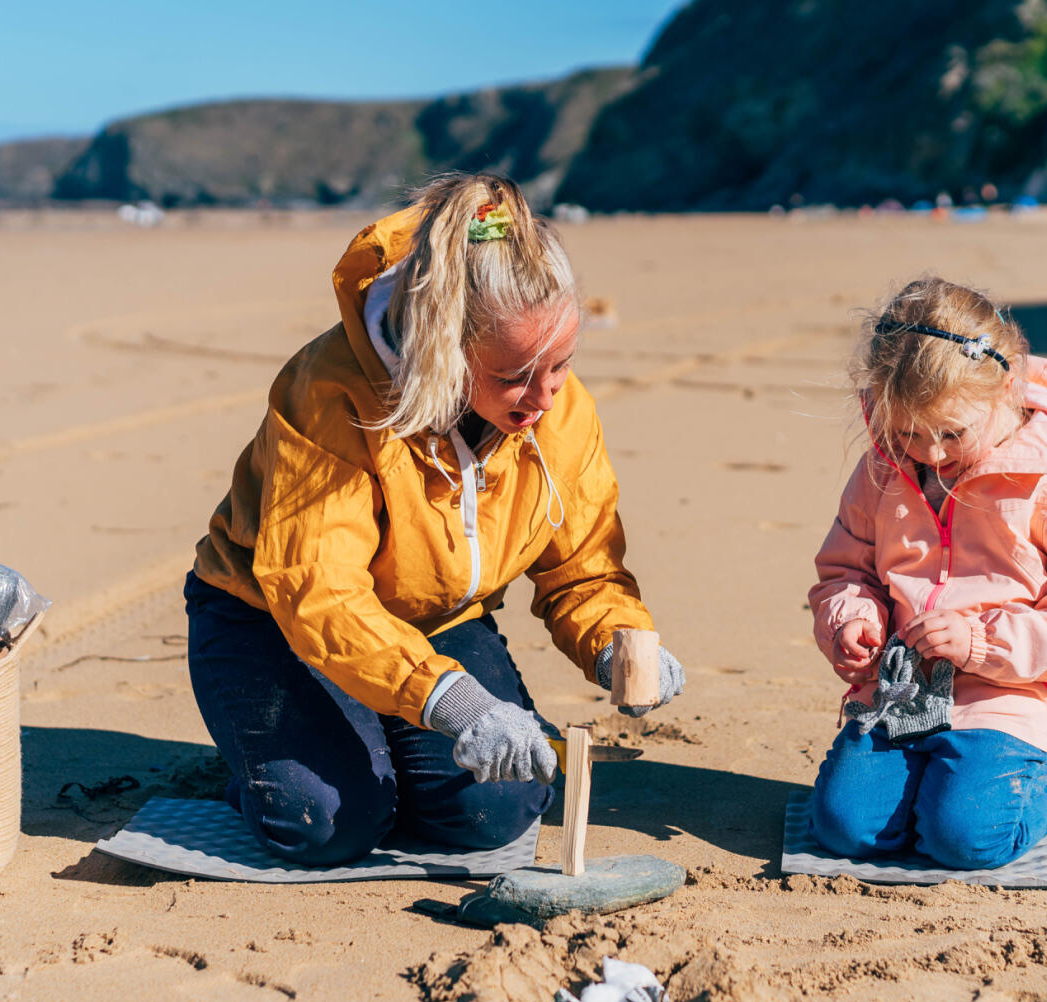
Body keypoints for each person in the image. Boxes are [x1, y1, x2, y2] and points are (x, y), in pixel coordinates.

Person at [185, 173, 684, 866]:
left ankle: (378, 737)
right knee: (327, 823)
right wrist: (452, 702)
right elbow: (320, 593)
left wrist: (617, 641)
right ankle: (276, 764)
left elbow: (582, 566)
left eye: (562, 364)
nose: (544, 397)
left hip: (437, 619)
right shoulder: (331, 395)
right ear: (444, 349)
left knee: (495, 812)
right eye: (514, 376)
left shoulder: (562, 414)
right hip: (272, 621)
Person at [807, 276, 1047, 870]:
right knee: (844, 828)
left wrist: (981, 641)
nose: (930, 453)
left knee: (964, 837)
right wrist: (852, 620)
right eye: (909, 432)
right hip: (903, 690)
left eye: (950, 434)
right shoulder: (883, 468)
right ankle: (927, 781)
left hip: (1011, 695)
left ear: (1006, 388)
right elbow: (846, 569)